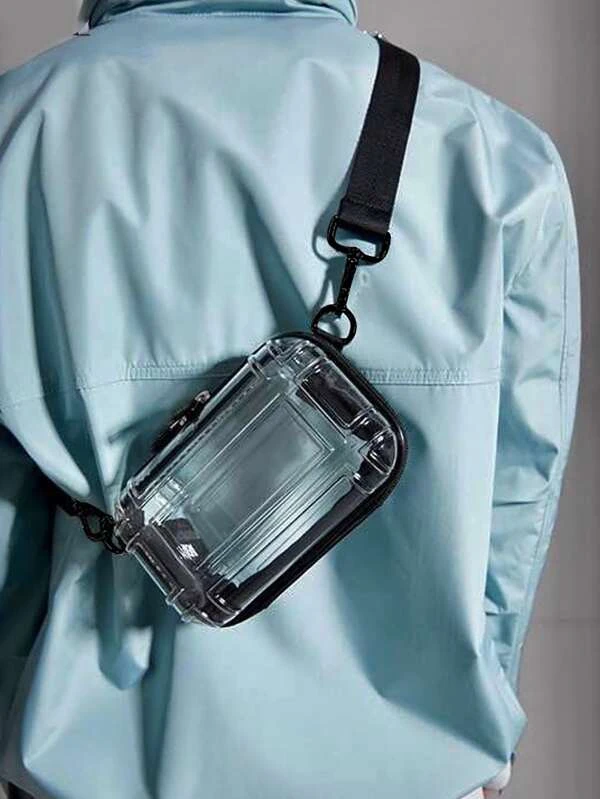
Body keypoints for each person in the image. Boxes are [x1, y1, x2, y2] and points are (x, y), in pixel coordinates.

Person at [0, 2, 580, 798]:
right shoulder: (495, 155)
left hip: (90, 768)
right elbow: (518, 491)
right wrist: (483, 713)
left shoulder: (19, 127)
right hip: (410, 771)